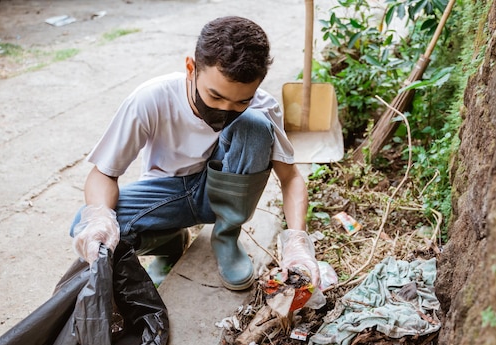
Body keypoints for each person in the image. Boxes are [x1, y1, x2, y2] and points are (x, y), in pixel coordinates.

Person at [70, 16, 320, 291]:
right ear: (191, 68)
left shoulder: (263, 105)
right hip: (169, 193)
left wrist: (297, 242)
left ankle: (225, 237)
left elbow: (291, 178)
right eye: (215, 96)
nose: (225, 109)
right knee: (88, 230)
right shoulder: (151, 99)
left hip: (225, 189)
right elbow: (104, 173)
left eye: (241, 101)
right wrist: (98, 218)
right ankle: (169, 244)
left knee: (256, 125)